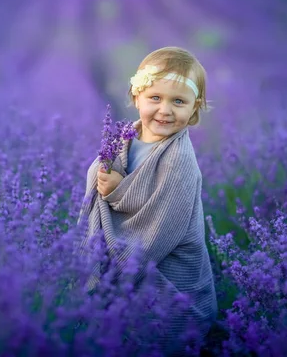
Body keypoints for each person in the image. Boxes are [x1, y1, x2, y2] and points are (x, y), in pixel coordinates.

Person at [78, 46, 218, 355]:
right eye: (155, 98)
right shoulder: (127, 137)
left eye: (178, 102)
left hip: (165, 272)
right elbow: (97, 178)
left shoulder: (178, 161)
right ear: (136, 97)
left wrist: (116, 189)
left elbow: (159, 227)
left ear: (193, 110)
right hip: (130, 264)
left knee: (157, 333)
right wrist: (106, 176)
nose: (165, 110)